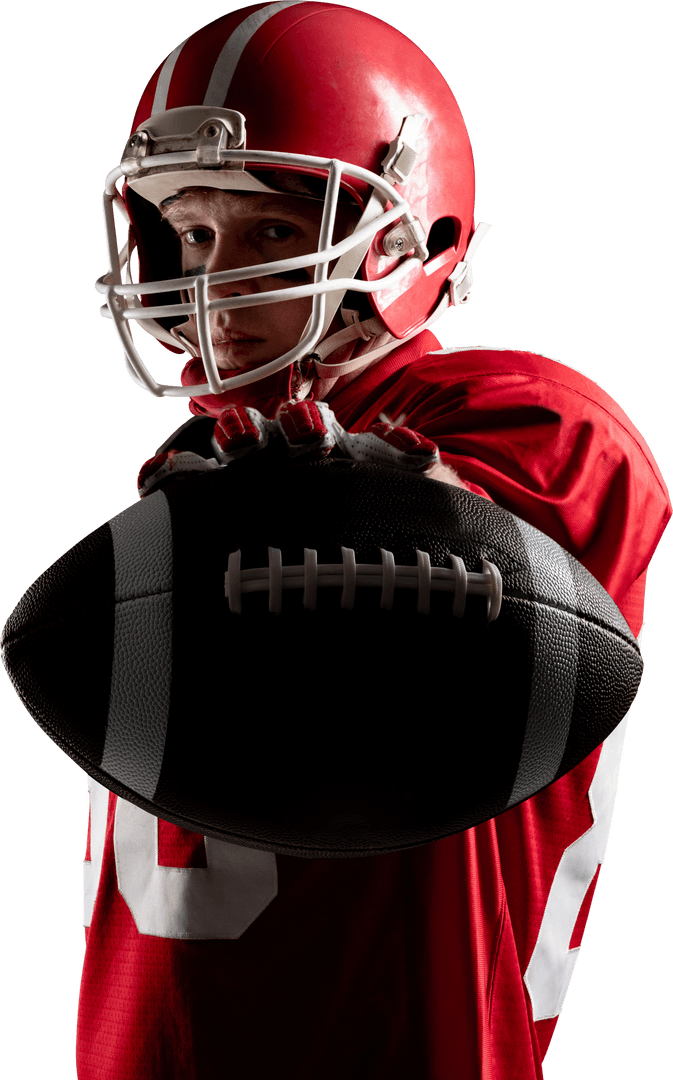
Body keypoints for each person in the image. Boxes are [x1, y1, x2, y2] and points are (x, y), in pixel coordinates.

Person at [80, 4, 671, 1078]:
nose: (213, 282)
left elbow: (446, 585)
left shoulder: (527, 420)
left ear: (407, 239)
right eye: (194, 234)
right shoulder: (203, 470)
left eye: (270, 232)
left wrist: (379, 499)